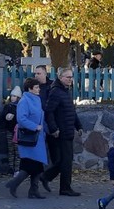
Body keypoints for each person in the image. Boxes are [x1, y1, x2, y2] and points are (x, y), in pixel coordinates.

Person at [41, 67, 84, 196]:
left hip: (67, 129)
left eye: (71, 77)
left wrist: (78, 126)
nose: (70, 79)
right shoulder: (56, 92)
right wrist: (54, 129)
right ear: (60, 78)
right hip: (61, 131)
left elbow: (71, 112)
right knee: (65, 161)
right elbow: (49, 112)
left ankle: (46, 177)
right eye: (68, 77)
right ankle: (64, 187)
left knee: (64, 161)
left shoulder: (65, 91)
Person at [5, 77, 47, 199]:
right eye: (36, 87)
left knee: (37, 166)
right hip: (29, 137)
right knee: (30, 165)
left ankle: (33, 190)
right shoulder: (24, 101)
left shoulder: (36, 99)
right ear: (30, 89)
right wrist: (35, 127)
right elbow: (21, 119)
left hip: (37, 138)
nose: (39, 89)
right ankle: (15, 184)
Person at [1, 85, 22, 172]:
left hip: (18, 131)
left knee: (17, 151)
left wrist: (14, 117)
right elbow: (3, 116)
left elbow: (21, 118)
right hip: (10, 130)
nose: (13, 98)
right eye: (12, 96)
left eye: (15, 96)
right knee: (10, 150)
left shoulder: (20, 106)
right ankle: (11, 168)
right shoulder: (8, 106)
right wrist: (6, 117)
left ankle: (17, 169)